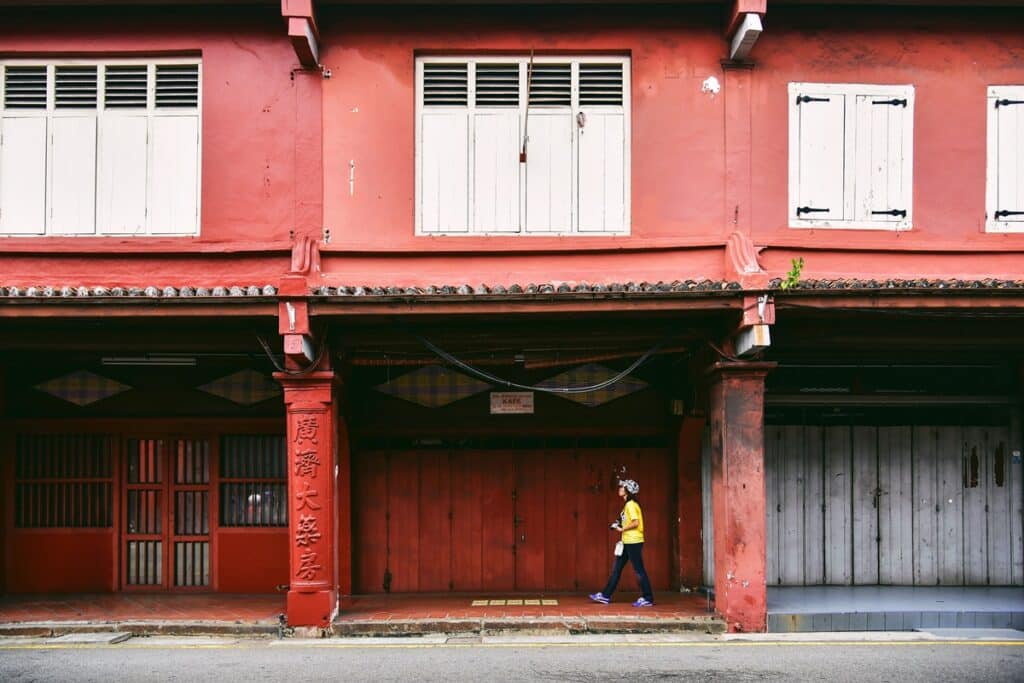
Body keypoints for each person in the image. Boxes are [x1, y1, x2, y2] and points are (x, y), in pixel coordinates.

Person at [589, 478, 654, 607]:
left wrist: (622, 529)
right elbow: (626, 520)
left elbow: (636, 523)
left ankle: (648, 598)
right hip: (627, 541)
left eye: (622, 487)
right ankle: (605, 595)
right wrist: (617, 524)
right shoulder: (628, 505)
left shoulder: (631, 505)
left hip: (633, 541)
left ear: (627, 491)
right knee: (616, 569)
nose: (620, 488)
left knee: (639, 570)